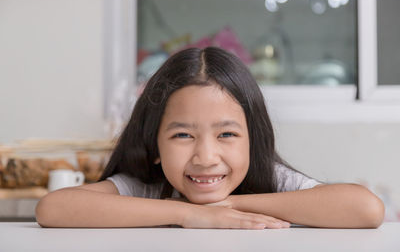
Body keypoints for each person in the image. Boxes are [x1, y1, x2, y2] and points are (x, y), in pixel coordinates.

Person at [35, 47, 385, 229]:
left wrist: (231, 205)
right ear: (154, 145)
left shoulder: (269, 182)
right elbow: (54, 208)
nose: (206, 156)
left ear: (253, 140)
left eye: (227, 134)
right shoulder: (146, 186)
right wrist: (189, 214)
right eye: (183, 134)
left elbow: (366, 209)